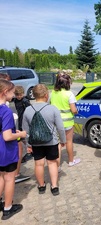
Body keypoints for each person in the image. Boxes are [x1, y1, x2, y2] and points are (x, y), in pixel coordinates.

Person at [22, 84, 66, 196]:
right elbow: (60, 127)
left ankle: (41, 186)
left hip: (36, 142)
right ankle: (54, 186)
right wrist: (63, 140)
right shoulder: (52, 109)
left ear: (34, 95)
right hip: (51, 141)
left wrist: (28, 144)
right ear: (46, 95)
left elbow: (25, 130)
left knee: (38, 164)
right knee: (52, 163)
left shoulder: (27, 110)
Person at [0, 79, 27, 220]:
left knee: (0, 177)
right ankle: (8, 208)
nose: (13, 94)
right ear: (5, 92)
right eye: (12, 92)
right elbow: (7, 136)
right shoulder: (6, 111)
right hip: (5, 150)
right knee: (9, 178)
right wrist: (20, 134)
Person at [50, 72, 80, 168]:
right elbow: (73, 110)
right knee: (69, 141)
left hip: (55, 122)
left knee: (58, 143)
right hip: (67, 123)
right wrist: (76, 111)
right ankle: (71, 161)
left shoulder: (53, 93)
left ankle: (57, 166)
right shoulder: (69, 94)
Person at [13, 86, 32, 183]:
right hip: (19, 123)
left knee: (26, 137)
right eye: (17, 95)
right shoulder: (15, 100)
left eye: (20, 95)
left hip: (24, 122)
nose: (19, 97)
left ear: (23, 93)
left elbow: (30, 110)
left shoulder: (25, 101)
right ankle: (26, 151)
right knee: (22, 138)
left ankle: (29, 151)